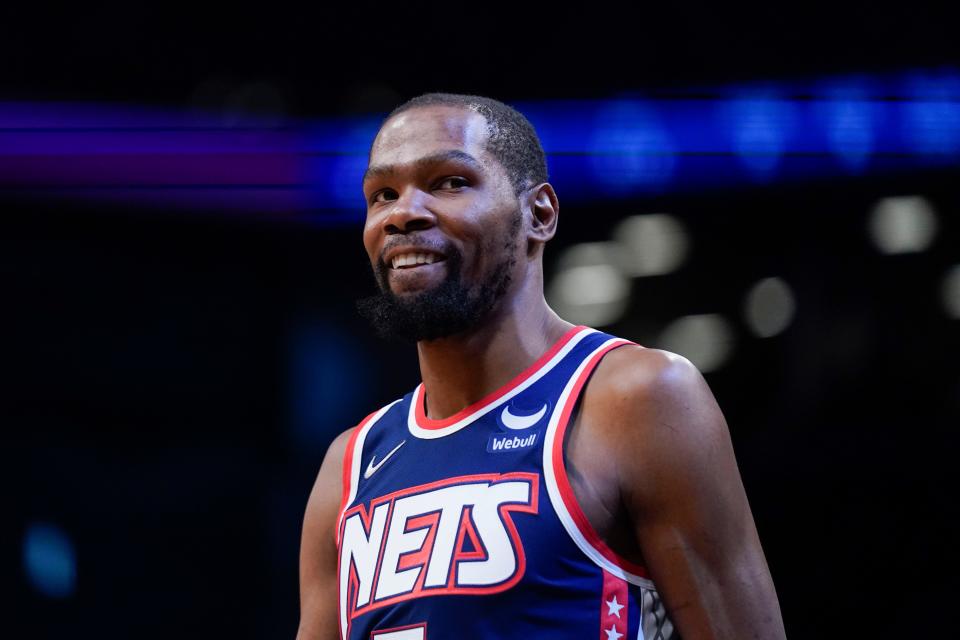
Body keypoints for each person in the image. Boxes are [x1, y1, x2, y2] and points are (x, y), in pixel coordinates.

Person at [296, 93, 786, 640]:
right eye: (382, 194)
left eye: (449, 182)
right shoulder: (352, 464)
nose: (403, 212)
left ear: (540, 213)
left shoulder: (636, 397)